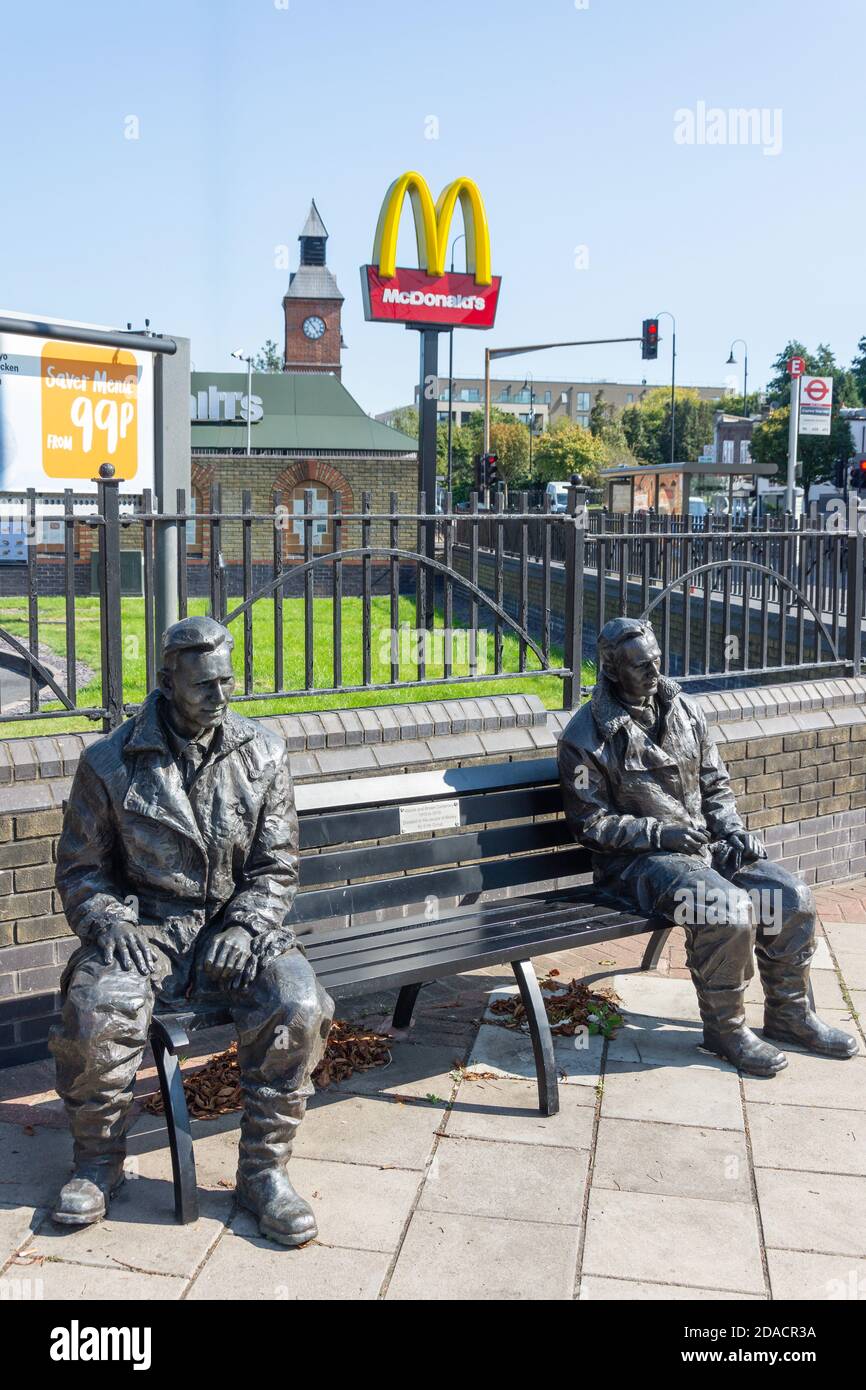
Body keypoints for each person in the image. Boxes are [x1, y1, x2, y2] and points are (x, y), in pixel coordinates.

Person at [49, 616, 333, 1246]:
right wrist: (107, 920)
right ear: (166, 680)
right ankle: (98, 1165)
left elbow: (277, 864)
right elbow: (80, 871)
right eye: (204, 684)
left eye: (227, 681)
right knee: (99, 1009)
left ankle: (265, 1174)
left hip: (235, 928)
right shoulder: (109, 762)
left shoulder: (263, 751)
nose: (220, 696)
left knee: (298, 1002)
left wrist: (249, 922)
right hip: (146, 929)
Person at [557, 616, 857, 1077]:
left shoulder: (685, 710)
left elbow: (715, 785)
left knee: (790, 897)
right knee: (725, 909)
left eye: (657, 660)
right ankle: (725, 1030)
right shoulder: (585, 736)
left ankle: (789, 1016)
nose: (655, 673)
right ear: (613, 671)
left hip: (703, 845)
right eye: (641, 666)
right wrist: (660, 834)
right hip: (636, 865)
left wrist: (732, 830)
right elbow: (591, 824)